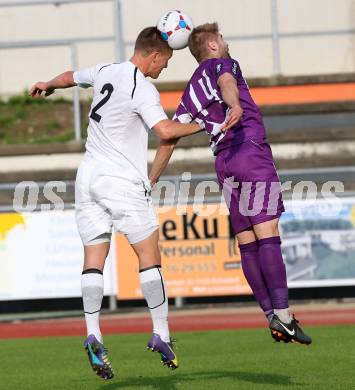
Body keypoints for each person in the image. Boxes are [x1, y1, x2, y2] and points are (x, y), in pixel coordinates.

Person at [29, 27, 233, 380]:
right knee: (149, 257)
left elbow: (69, 77)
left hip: (87, 178)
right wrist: (207, 123)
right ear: (153, 55)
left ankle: (93, 333)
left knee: (93, 260)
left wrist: (47, 84)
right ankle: (162, 333)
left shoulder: (106, 70)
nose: (164, 68)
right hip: (120, 181)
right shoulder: (143, 88)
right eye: (165, 61)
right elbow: (165, 131)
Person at [149, 22, 312, 345]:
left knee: (248, 241)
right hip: (248, 150)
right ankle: (284, 315)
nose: (226, 42)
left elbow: (168, 135)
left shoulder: (192, 88)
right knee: (268, 235)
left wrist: (151, 178)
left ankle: (270, 315)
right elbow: (227, 82)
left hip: (223, 162)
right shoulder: (223, 64)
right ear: (212, 46)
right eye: (222, 39)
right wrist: (235, 104)